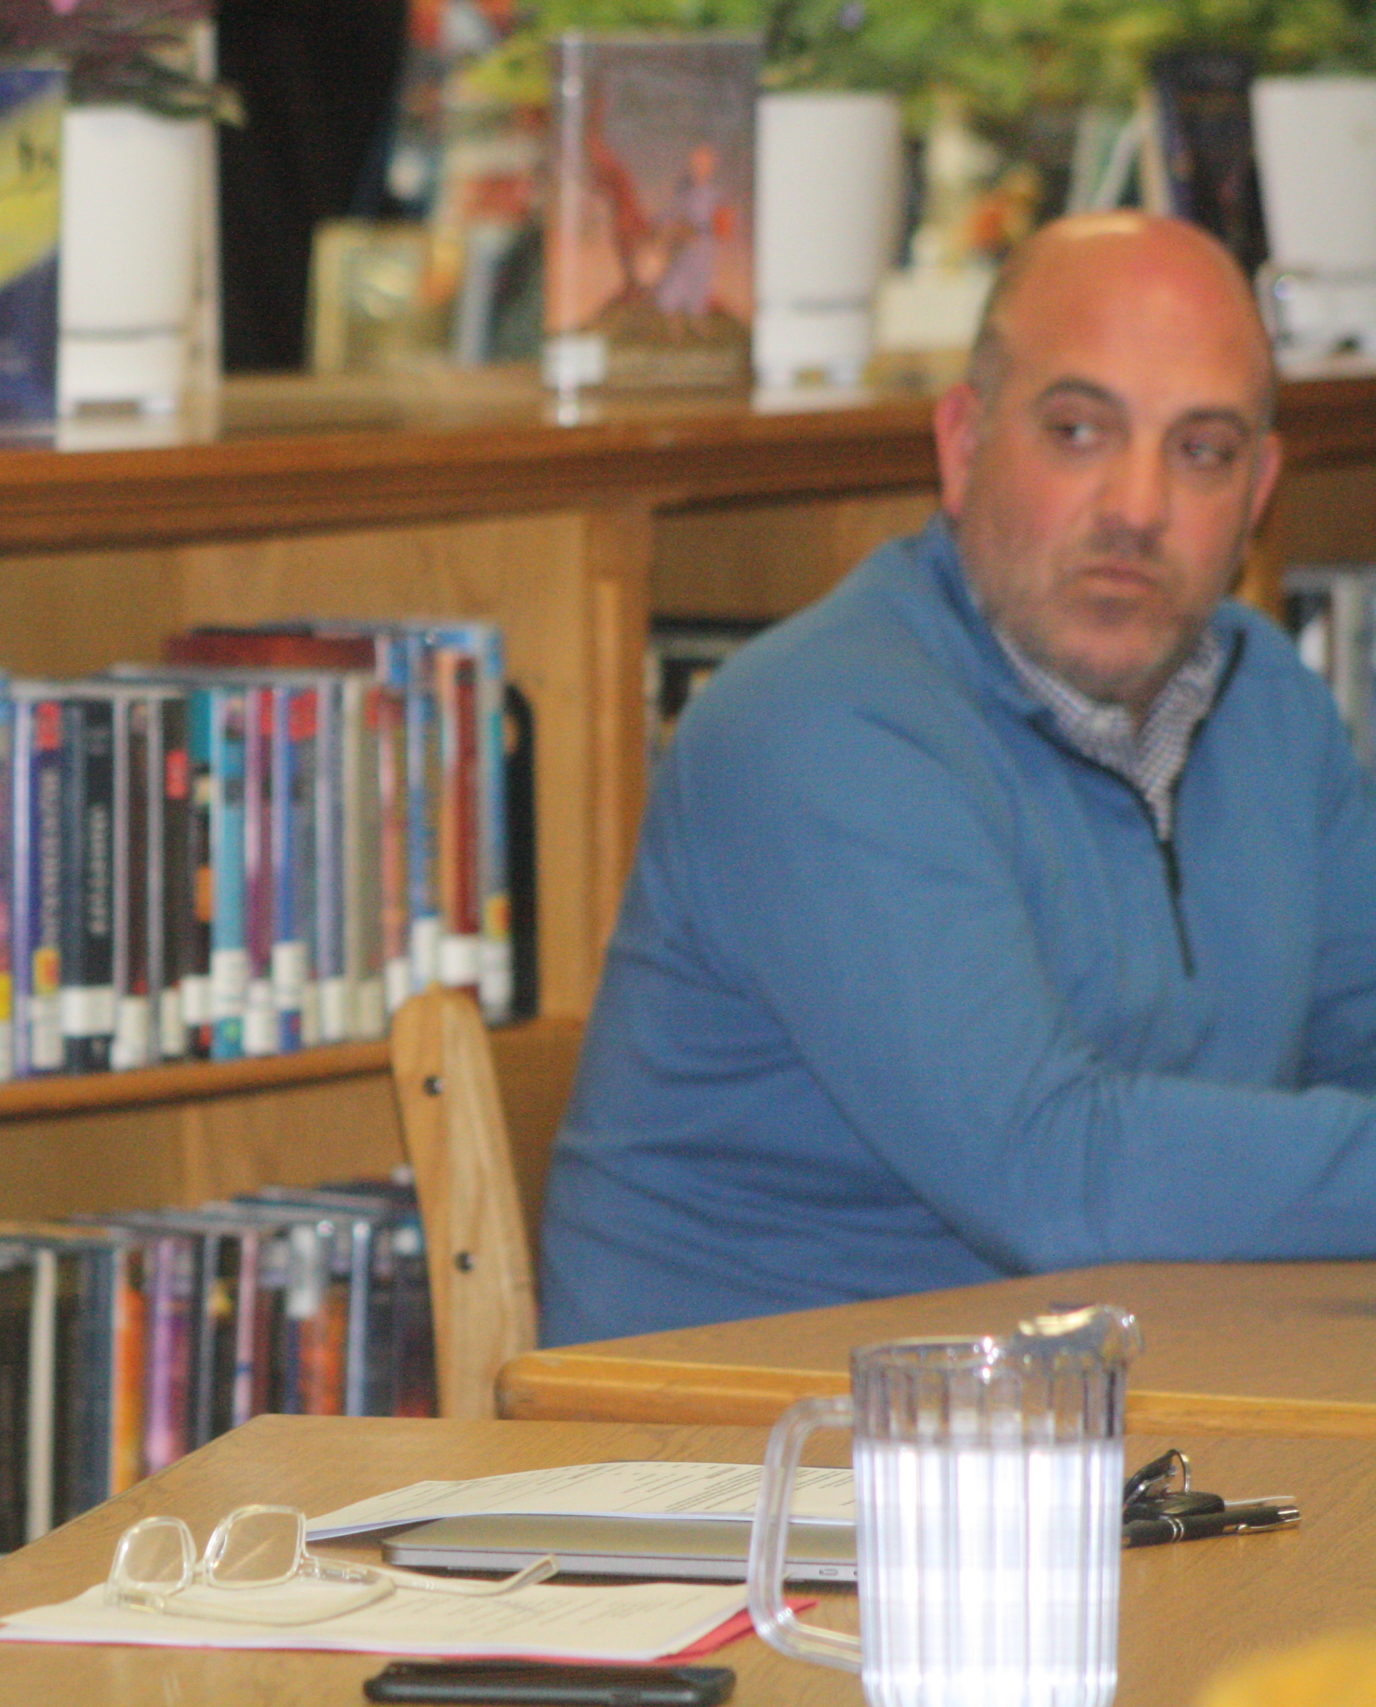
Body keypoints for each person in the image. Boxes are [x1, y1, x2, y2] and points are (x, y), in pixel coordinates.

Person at [538, 212, 1376, 1345]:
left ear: (1259, 489)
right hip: (736, 1455)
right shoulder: (818, 724)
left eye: (1201, 451)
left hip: (1108, 1412)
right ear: (961, 443)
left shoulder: (1268, 700)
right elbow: (1047, 1172)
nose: (1135, 507)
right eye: (1078, 431)